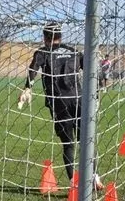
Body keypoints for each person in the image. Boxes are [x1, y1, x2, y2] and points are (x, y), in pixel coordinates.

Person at [18, 22, 102, 190]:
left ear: (44, 37)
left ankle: (74, 182)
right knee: (87, 140)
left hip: (59, 103)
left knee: (68, 144)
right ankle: (94, 177)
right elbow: (91, 71)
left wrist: (28, 87)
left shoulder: (42, 52)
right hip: (79, 99)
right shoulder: (73, 51)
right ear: (61, 36)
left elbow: (33, 69)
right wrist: (96, 93)